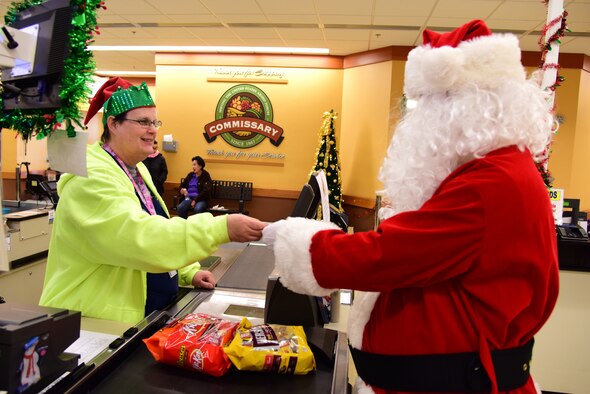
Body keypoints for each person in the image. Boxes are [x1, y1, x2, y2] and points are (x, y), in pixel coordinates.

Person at [262, 20, 559, 394]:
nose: (420, 121)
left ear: (466, 107)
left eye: (431, 105)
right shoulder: (499, 170)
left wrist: (302, 245)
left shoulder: (490, 183)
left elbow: (390, 255)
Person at [39, 77, 266, 324]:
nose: (153, 129)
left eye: (154, 122)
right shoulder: (91, 177)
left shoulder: (136, 169)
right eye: (143, 122)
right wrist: (221, 228)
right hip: (94, 323)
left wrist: (186, 271)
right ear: (113, 124)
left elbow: (156, 221)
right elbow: (139, 238)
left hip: (142, 314)